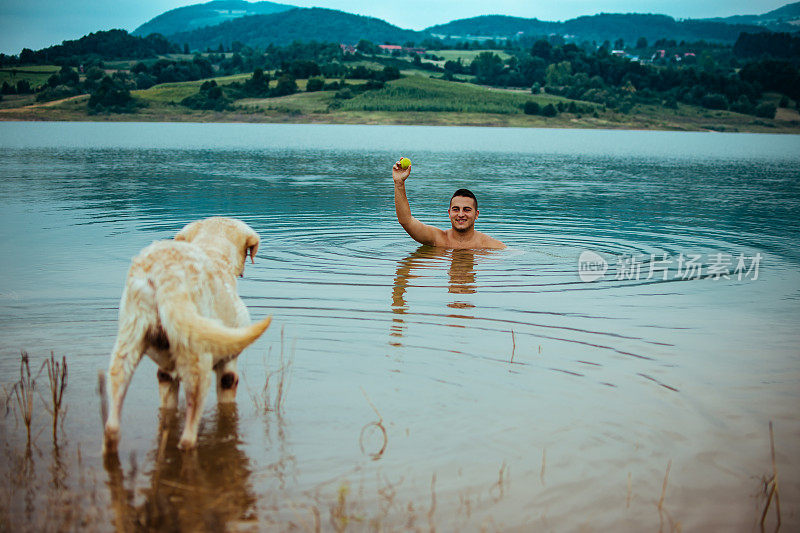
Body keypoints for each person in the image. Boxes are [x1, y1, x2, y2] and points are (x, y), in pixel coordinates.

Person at [392, 158, 506, 250]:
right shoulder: (437, 239)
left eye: (466, 209)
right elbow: (406, 220)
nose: (461, 214)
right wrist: (399, 183)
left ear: (476, 214)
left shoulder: (491, 246)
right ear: (449, 212)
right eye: (456, 209)